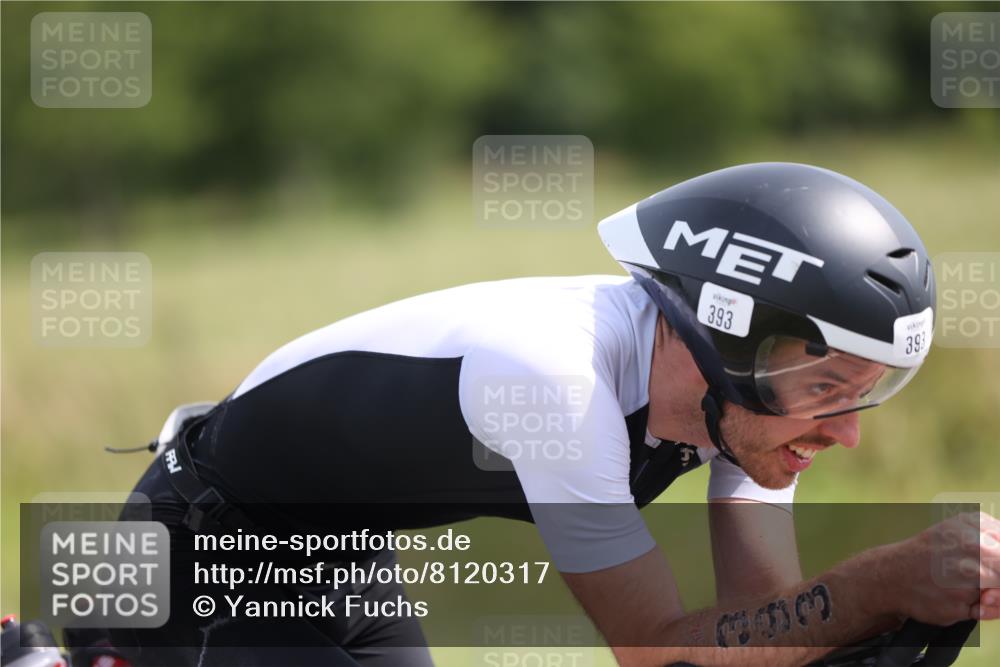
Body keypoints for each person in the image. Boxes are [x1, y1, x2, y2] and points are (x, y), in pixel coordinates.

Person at [81, 163, 998, 666]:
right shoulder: (557, 379)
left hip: (343, 556)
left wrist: (916, 611)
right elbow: (664, 660)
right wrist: (885, 582)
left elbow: (761, 627)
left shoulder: (744, 412)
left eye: (868, 391)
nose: (848, 433)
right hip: (203, 555)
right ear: (725, 341)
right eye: (829, 388)